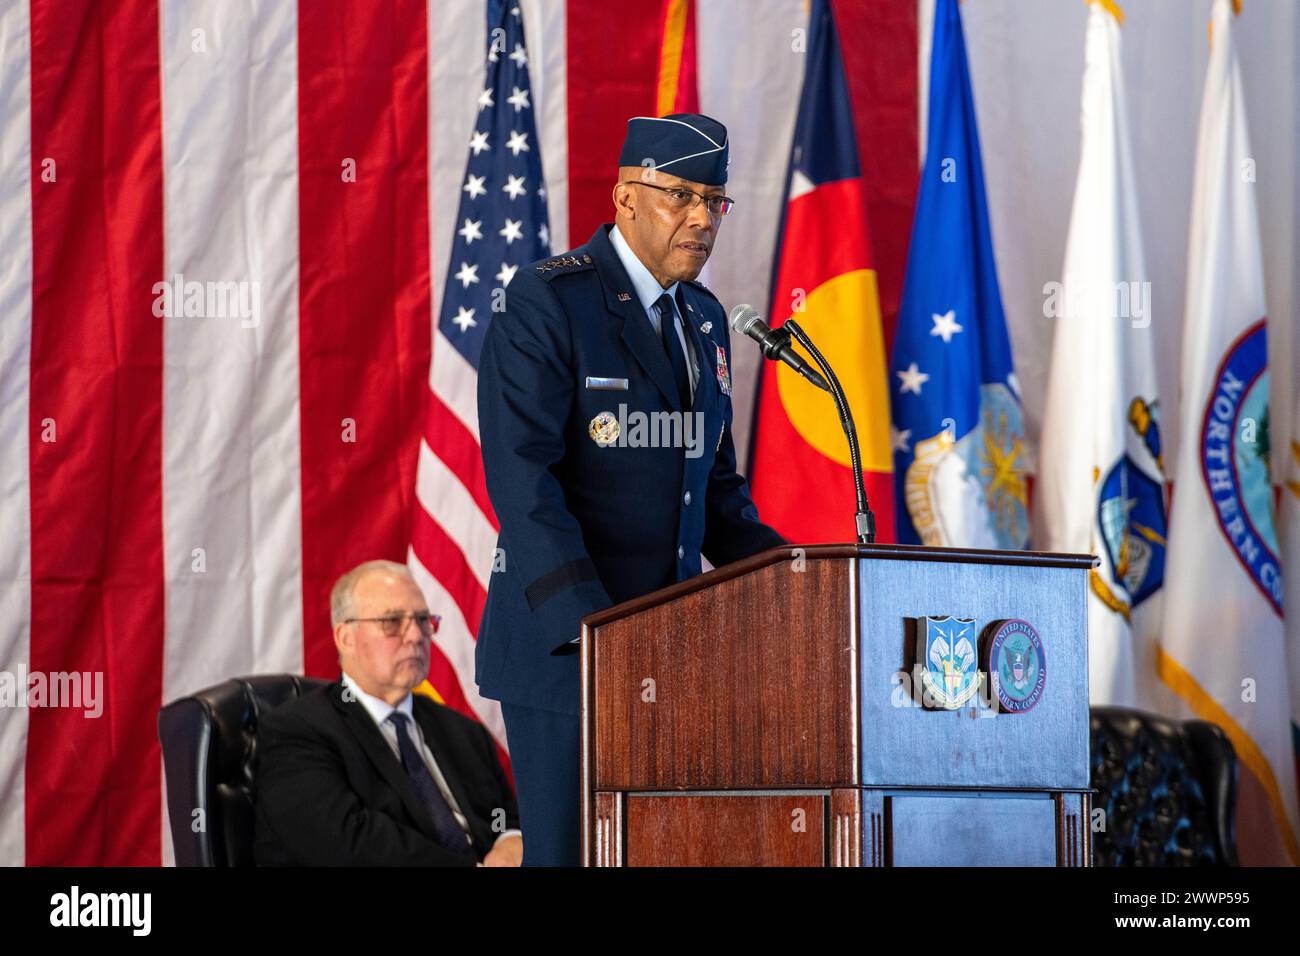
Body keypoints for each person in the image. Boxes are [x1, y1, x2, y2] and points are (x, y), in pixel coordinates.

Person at [475, 113, 785, 866]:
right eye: (680, 195)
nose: (701, 218)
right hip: (571, 653)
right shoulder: (551, 302)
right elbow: (524, 482)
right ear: (624, 197)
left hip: (673, 655)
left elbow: (714, 490)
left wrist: (802, 580)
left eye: (715, 201)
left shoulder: (706, 320)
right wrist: (598, 634)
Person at [254, 560, 521, 866]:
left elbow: (510, 813)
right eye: (392, 621)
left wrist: (511, 839)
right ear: (345, 638)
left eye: (422, 619)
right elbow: (347, 844)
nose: (415, 636)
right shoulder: (297, 731)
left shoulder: (462, 731)